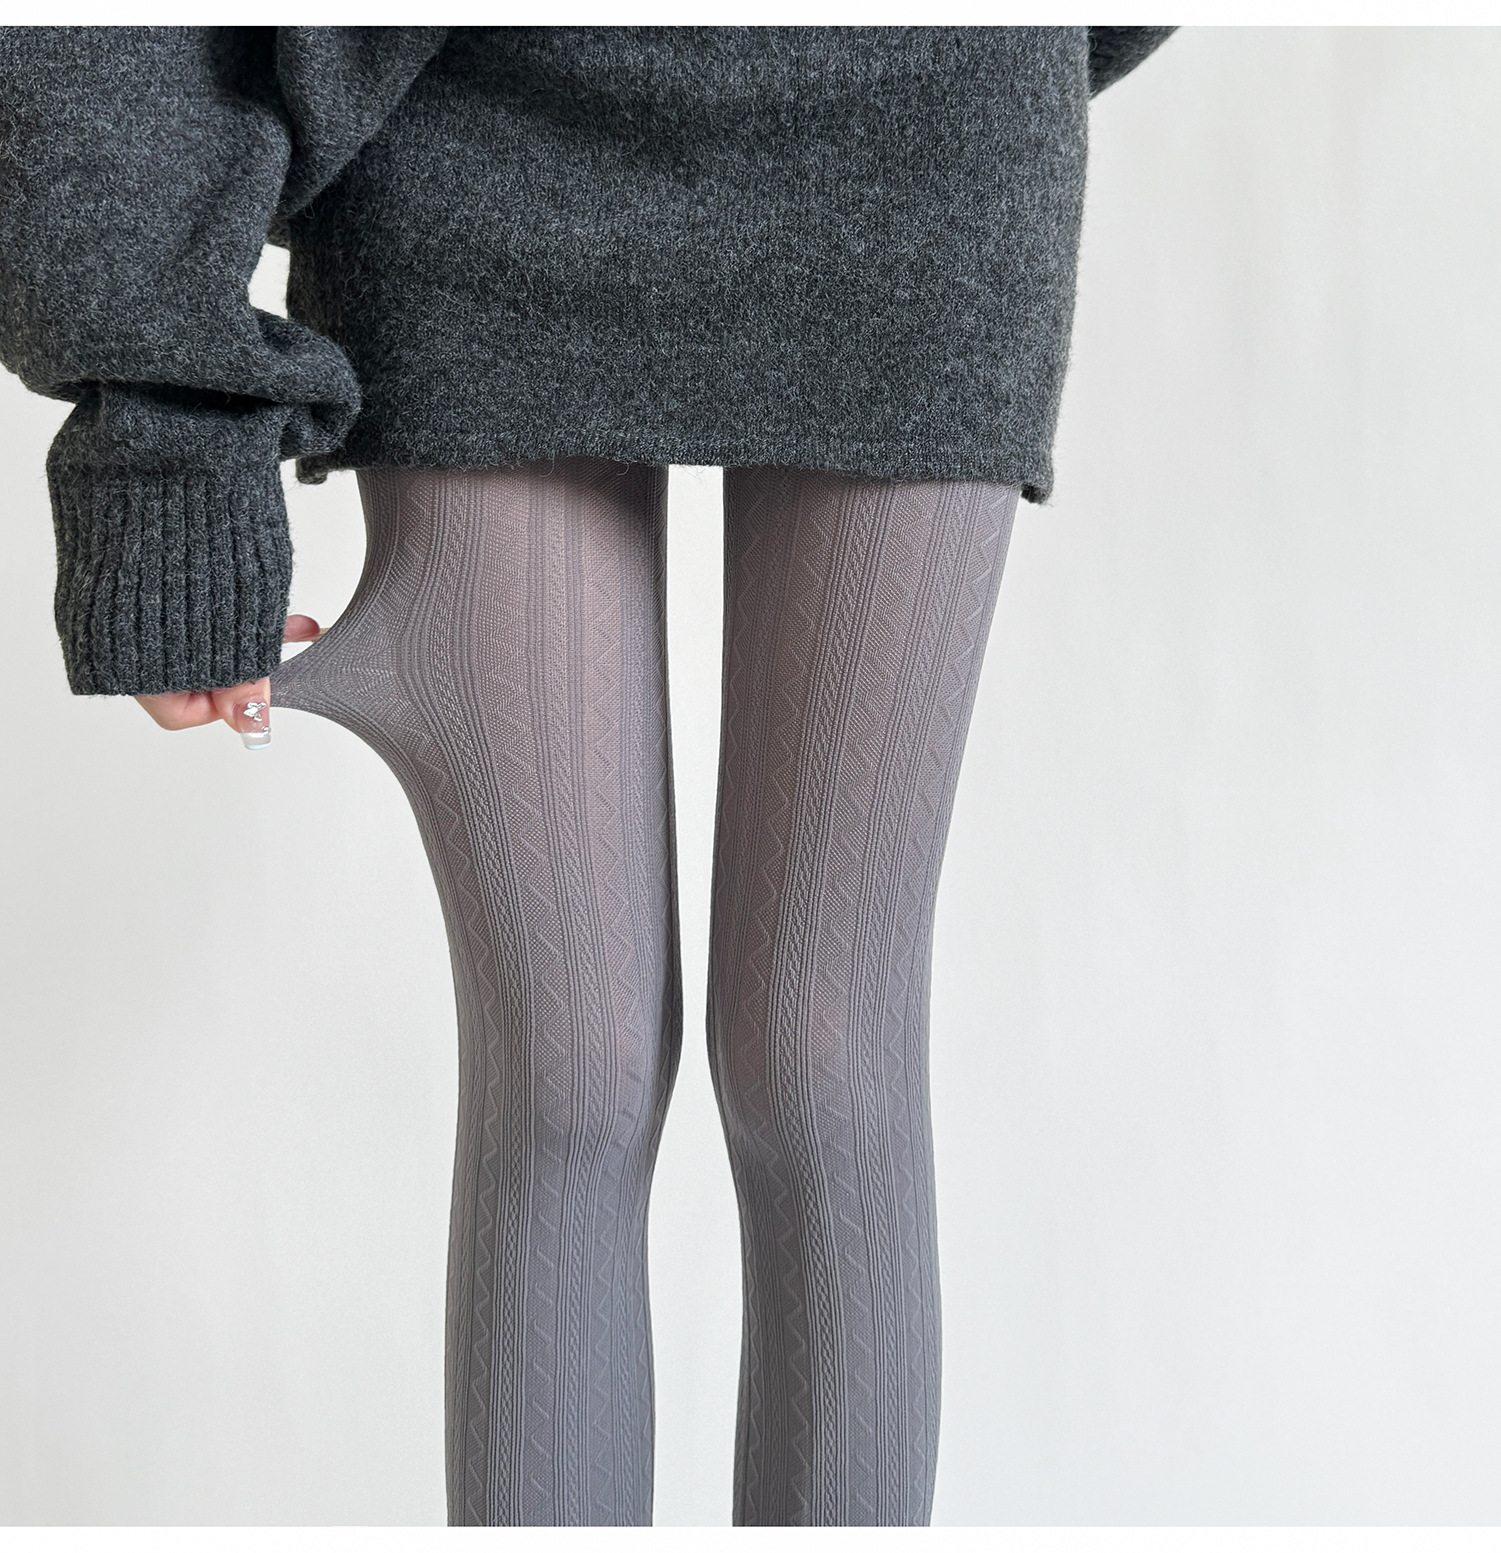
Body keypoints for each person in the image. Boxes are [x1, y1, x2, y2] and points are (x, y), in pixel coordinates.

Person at [0, 24, 1174, 1526]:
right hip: (468, 130)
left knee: (825, 1066)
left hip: (927, 124)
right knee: (569, 1077)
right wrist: (163, 434)